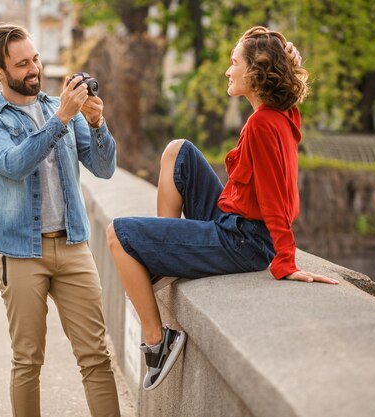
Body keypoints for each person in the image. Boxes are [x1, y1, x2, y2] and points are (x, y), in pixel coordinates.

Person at [107, 26, 339, 391]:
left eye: (234, 63)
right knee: (177, 151)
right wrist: (284, 55)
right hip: (235, 223)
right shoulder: (283, 114)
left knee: (118, 235)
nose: (227, 71)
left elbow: (276, 198)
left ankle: (158, 343)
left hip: (242, 241)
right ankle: (164, 258)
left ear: (256, 72)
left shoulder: (263, 124)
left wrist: (286, 261)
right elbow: (283, 83)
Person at [0, 24, 120, 417]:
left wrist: (97, 123)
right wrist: (63, 119)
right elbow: (15, 165)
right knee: (27, 361)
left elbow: (104, 169)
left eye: (35, 59)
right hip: (20, 253)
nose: (34, 69)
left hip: (73, 247)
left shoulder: (59, 107)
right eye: (22, 64)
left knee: (96, 357)